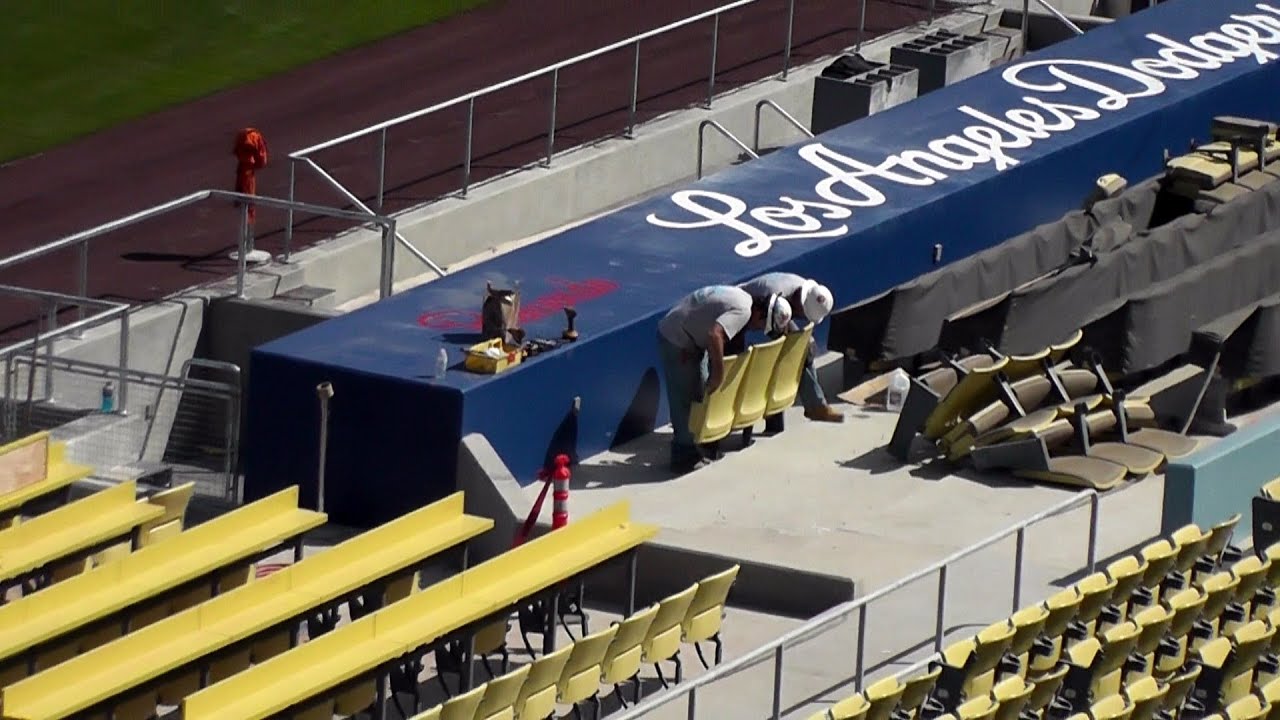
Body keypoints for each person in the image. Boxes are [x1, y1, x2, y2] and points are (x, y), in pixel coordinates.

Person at [657, 286, 793, 472]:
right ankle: (682, 458)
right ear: (759, 314)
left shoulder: (745, 300)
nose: (758, 329)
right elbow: (715, 335)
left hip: (691, 338)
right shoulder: (744, 312)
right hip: (677, 338)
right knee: (685, 400)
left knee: (699, 394)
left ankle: (697, 448)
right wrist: (718, 374)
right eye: (762, 325)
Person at [736, 272, 842, 423]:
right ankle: (808, 407)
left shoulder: (805, 291)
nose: (802, 317)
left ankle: (815, 406)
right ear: (801, 302)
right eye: (803, 313)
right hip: (742, 311)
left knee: (803, 350)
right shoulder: (774, 295)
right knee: (790, 352)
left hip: (773, 311)